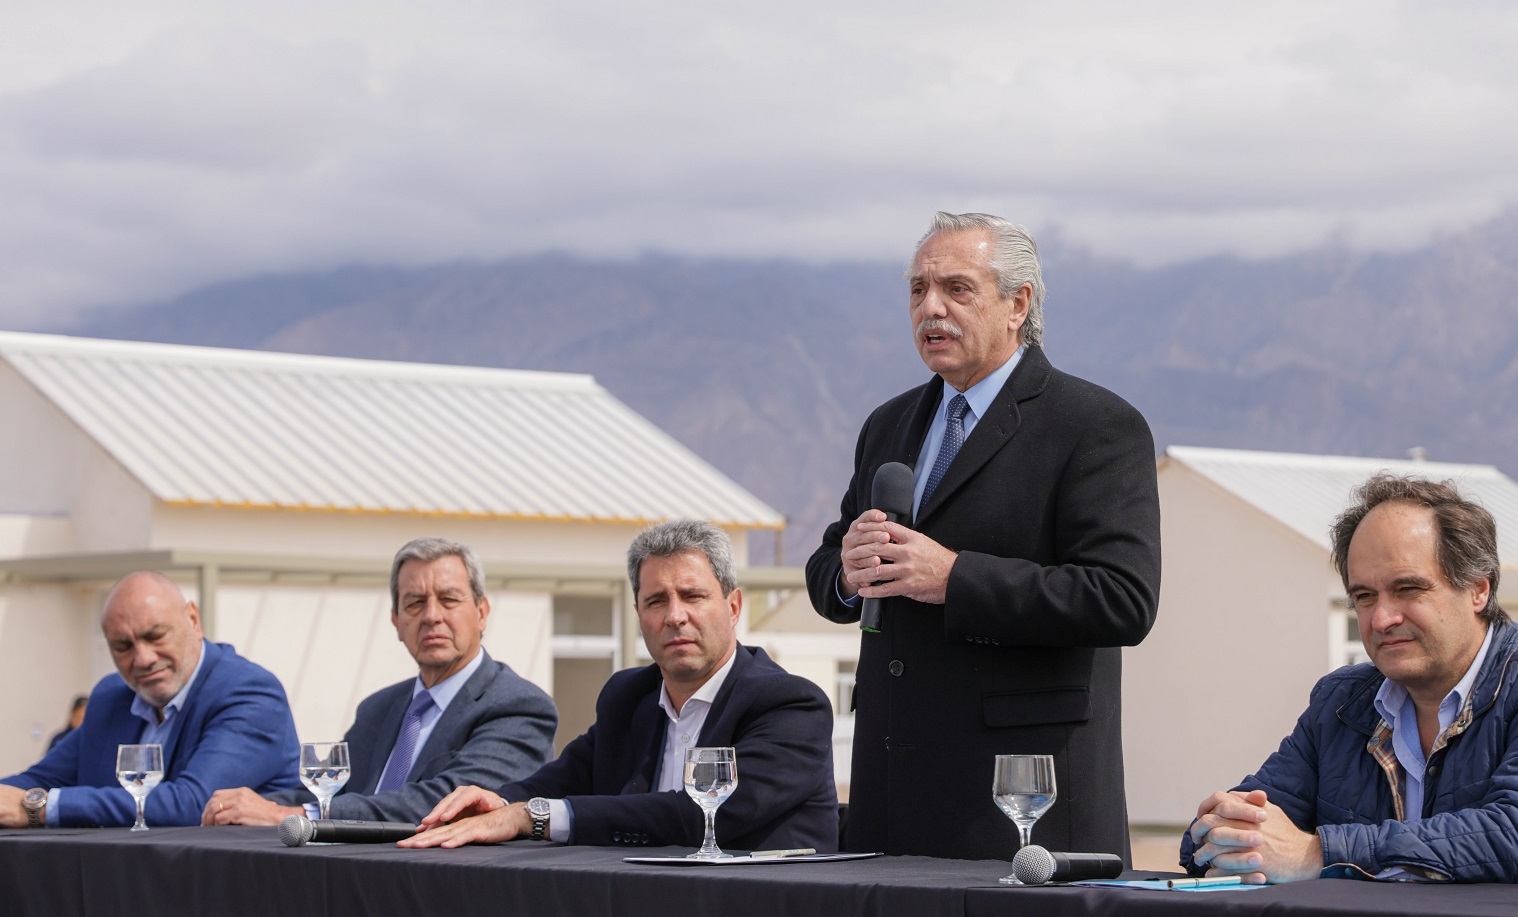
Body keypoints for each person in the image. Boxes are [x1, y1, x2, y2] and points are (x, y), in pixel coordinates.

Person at [806, 211, 1163, 860]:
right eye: (917, 289)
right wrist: (846, 573)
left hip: (1024, 807)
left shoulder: (1094, 425)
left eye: (957, 289)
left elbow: (1123, 597)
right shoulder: (888, 425)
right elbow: (829, 565)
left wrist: (955, 578)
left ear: (1017, 303)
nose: (930, 307)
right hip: (892, 798)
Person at [1184, 474, 1518, 884]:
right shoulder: (1341, 702)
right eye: (1364, 596)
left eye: (1408, 589)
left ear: (1479, 588)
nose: (1381, 618)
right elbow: (1234, 828)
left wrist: (1320, 852)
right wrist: (1226, 832)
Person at [402, 519, 838, 850]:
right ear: (638, 614)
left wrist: (531, 817)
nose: (674, 616)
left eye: (692, 596)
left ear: (733, 605)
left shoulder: (790, 705)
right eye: (655, 601)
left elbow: (698, 815)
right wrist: (493, 802)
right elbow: (565, 778)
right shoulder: (629, 697)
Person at [201, 538, 557, 826]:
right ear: (396, 621)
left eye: (449, 600)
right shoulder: (379, 708)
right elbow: (326, 793)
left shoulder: (518, 707)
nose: (432, 616)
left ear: (481, 613)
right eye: (415, 603)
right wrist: (246, 806)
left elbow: (446, 804)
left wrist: (294, 817)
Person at [0, 571, 298, 828]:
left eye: (155, 636)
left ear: (193, 620)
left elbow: (194, 804)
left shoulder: (250, 692)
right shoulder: (111, 697)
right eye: (123, 646)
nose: (142, 658)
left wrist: (40, 807)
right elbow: (40, 780)